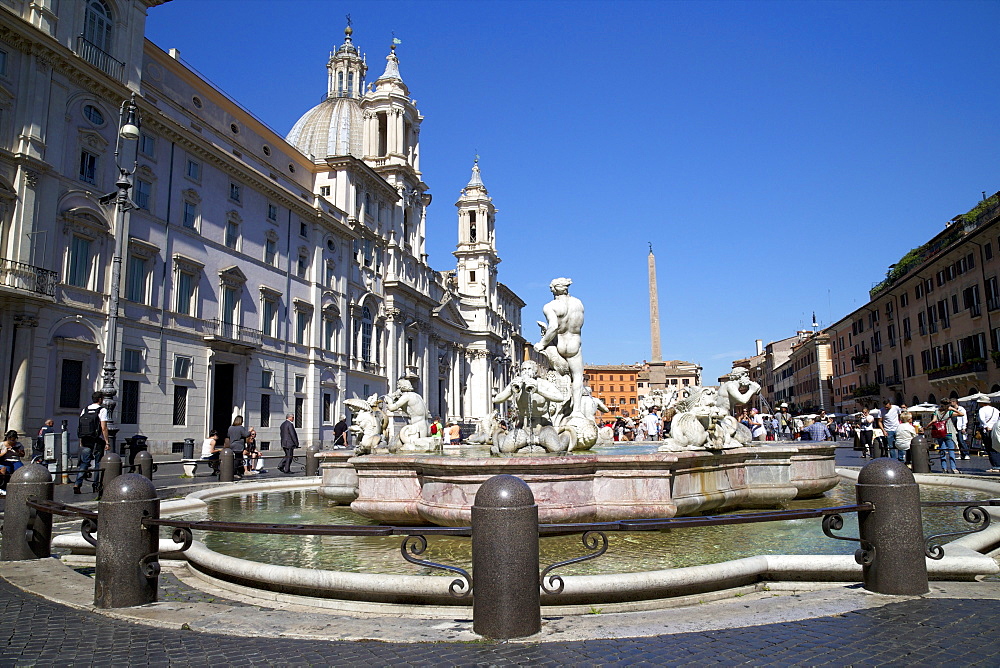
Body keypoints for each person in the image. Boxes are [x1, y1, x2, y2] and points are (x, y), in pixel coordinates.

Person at [534, 277, 585, 416]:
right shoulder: (578, 303)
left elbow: (553, 327)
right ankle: (577, 411)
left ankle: (554, 411)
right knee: (578, 377)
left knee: (553, 374)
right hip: (574, 343)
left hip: (560, 344)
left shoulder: (550, 306)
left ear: (554, 289)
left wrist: (542, 344)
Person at [74, 391, 109, 494]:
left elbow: (80, 426)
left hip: (85, 439)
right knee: (98, 463)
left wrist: (81, 440)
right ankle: (96, 485)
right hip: (96, 440)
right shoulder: (102, 410)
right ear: (100, 399)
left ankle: (77, 483)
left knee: (84, 462)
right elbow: (104, 427)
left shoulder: (85, 410)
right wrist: (107, 441)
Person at [932, 400, 959, 474]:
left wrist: (926, 427)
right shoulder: (949, 412)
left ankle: (944, 468)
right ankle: (953, 468)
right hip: (948, 432)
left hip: (940, 432)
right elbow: (961, 414)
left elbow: (933, 420)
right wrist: (953, 409)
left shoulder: (936, 412)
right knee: (951, 450)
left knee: (942, 450)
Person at [977, 395, 1000, 472]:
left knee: (989, 447)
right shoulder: (995, 410)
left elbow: (982, 419)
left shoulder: (982, 410)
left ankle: (996, 466)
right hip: (995, 430)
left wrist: (986, 426)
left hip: (987, 430)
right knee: (996, 446)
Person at [0, 430, 25, 496]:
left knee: (21, 470)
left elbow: (23, 455)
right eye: (10, 440)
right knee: (6, 471)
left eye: (13, 440)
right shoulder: (2, 445)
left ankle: (19, 487)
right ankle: (4, 487)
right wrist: (4, 452)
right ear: (7, 438)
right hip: (6, 461)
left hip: (16, 461)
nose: (12, 442)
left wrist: (18, 451)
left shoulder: (19, 445)